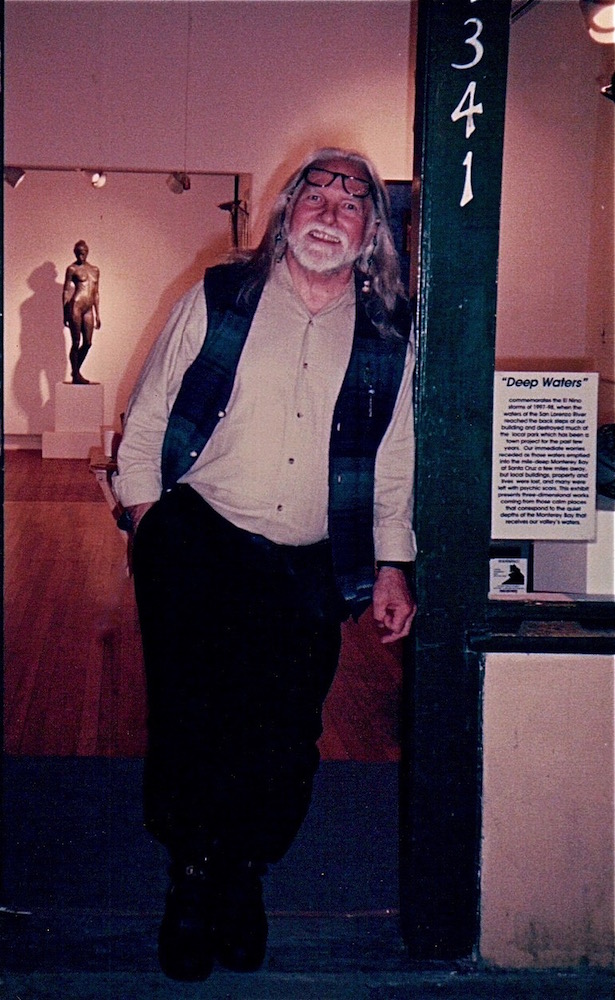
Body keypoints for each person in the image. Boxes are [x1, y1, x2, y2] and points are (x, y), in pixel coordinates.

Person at [114, 147, 417, 982]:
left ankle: (243, 874)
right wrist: (146, 522)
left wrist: (393, 564)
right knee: (190, 721)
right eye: (314, 196)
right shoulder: (222, 296)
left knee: (284, 735)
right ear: (286, 214)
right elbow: (149, 412)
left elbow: (393, 459)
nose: (329, 213)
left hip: (309, 566)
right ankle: (191, 877)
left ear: (369, 232)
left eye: (349, 203)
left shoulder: (389, 333)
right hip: (201, 542)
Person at [62, 240, 101, 384]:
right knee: (76, 341)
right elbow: (66, 291)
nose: (80, 256)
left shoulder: (95, 270)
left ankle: (75, 370)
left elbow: (96, 293)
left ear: (87, 252)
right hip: (76, 306)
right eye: (78, 253)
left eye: (83, 253)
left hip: (88, 309)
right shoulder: (72, 269)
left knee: (88, 343)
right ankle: (76, 374)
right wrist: (65, 313)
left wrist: (98, 314)